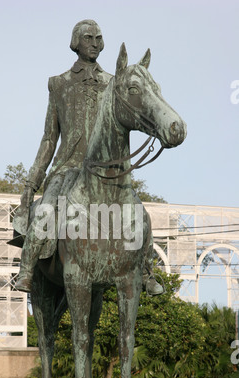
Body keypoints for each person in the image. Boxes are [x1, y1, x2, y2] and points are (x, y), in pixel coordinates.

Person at [15, 19, 164, 296]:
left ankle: (145, 269)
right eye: (88, 38)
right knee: (46, 210)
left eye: (98, 37)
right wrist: (30, 184)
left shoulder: (113, 82)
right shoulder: (59, 84)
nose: (95, 43)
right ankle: (26, 270)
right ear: (76, 42)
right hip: (67, 168)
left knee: (139, 213)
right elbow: (49, 138)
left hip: (105, 171)